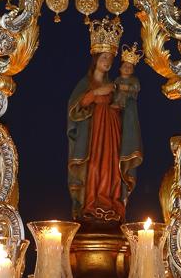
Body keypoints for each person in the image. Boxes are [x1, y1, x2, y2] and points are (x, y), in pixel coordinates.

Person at [67, 17, 143, 226]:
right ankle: (91, 203)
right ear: (96, 59)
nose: (107, 62)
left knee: (111, 168)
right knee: (94, 167)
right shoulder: (86, 83)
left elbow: (125, 103)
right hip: (92, 134)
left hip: (111, 131)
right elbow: (76, 106)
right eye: (104, 58)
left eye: (110, 58)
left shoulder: (115, 83)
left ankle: (111, 203)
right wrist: (97, 92)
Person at [111, 44, 142, 110]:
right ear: (120, 68)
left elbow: (137, 88)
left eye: (130, 67)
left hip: (129, 98)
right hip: (117, 96)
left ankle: (121, 105)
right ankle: (116, 103)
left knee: (123, 94)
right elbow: (114, 86)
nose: (127, 69)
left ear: (133, 71)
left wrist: (128, 88)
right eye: (125, 66)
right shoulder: (118, 79)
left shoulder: (134, 80)